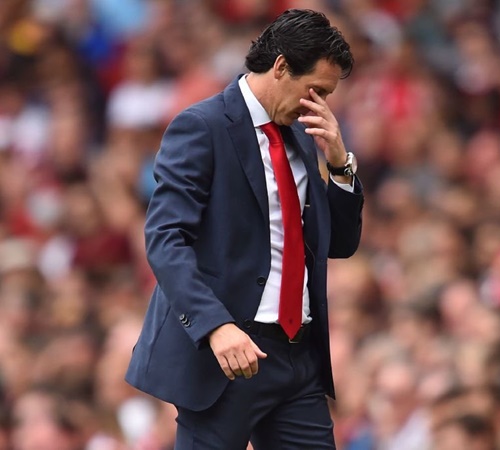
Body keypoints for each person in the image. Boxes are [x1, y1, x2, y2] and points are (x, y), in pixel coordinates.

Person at [125, 8, 364, 449]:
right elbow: (165, 239)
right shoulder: (202, 126)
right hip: (228, 356)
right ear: (281, 67)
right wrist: (214, 326)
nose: (319, 104)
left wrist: (339, 165)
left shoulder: (300, 135)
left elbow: (342, 242)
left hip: (298, 357)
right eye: (316, 90)